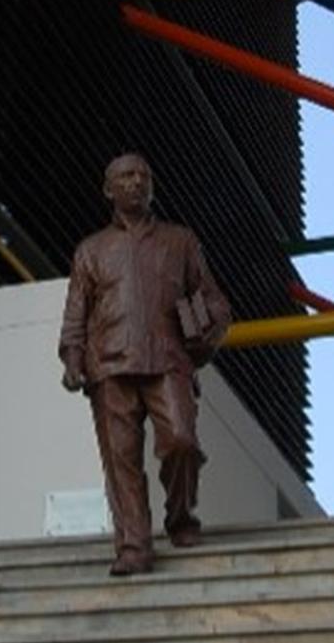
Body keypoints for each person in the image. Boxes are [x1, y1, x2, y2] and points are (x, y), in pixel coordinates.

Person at [59, 153, 232, 575]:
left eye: (143, 176)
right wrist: (73, 357)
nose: (136, 182)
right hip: (109, 366)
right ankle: (134, 545)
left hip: (167, 359)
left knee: (181, 442)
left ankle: (180, 515)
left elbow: (214, 300)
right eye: (125, 176)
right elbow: (75, 314)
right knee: (122, 461)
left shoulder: (180, 241)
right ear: (109, 190)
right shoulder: (91, 250)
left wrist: (209, 331)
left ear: (152, 186)